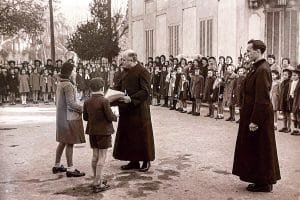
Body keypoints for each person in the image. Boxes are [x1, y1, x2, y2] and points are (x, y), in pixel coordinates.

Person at [232, 39, 281, 192]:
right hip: (252, 113)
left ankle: (265, 182)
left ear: (258, 51)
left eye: (249, 51)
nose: (247, 53)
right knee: (255, 148)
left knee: (262, 149)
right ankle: (259, 179)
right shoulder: (257, 67)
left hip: (258, 116)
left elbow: (262, 98)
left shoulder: (262, 69)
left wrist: (255, 120)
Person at [112, 49, 155, 172]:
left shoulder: (143, 71)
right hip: (126, 110)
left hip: (139, 110)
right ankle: (133, 161)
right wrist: (110, 96)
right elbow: (118, 86)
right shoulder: (124, 71)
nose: (122, 62)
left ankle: (146, 161)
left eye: (124, 60)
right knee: (129, 135)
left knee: (142, 136)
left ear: (132, 60)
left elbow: (145, 91)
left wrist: (131, 98)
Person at [83, 78, 117, 193]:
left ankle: (96, 179)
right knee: (102, 157)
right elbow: (110, 117)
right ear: (102, 88)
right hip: (104, 132)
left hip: (92, 131)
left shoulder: (87, 101)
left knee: (95, 155)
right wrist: (115, 115)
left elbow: (85, 118)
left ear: (91, 88)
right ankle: (98, 183)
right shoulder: (104, 101)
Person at [53, 62, 86, 177]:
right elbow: (71, 104)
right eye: (74, 71)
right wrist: (83, 108)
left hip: (61, 117)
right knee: (70, 142)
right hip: (69, 117)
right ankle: (70, 169)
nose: (75, 73)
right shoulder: (68, 85)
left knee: (62, 141)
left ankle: (57, 165)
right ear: (70, 72)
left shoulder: (60, 83)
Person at [278, 69, 292, 133]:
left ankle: (289, 128)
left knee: (288, 114)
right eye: (283, 74)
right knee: (284, 114)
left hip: (288, 100)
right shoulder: (282, 82)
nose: (284, 76)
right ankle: (284, 126)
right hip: (282, 100)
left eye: (286, 75)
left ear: (289, 75)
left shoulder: (290, 82)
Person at [290, 67, 300, 135]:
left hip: (299, 100)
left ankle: (299, 129)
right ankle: (295, 128)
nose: (293, 76)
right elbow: (291, 91)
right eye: (292, 75)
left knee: (299, 115)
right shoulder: (293, 82)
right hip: (294, 99)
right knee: (294, 114)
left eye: (295, 75)